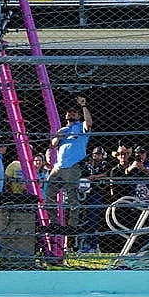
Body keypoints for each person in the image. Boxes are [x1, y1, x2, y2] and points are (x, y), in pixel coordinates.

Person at [48, 98, 92, 230]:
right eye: (69, 112)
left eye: (74, 112)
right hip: (58, 167)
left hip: (72, 167)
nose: (71, 113)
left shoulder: (81, 127)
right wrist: (58, 136)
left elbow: (89, 123)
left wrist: (84, 106)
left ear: (78, 116)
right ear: (65, 115)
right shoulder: (63, 129)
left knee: (72, 197)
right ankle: (54, 223)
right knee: (49, 196)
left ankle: (72, 226)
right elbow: (53, 144)